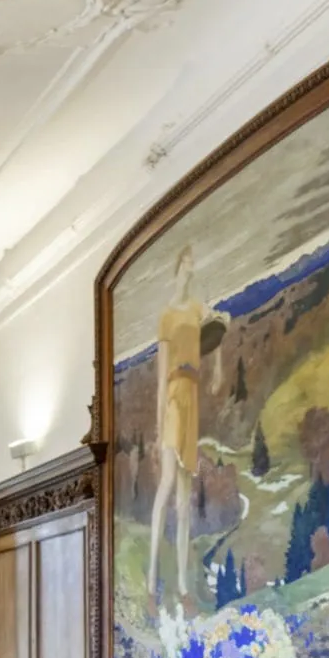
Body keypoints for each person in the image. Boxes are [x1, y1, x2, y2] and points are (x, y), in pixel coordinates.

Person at [148, 245, 217, 601]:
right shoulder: (167, 316)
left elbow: (216, 328)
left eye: (193, 259)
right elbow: (161, 376)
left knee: (186, 497)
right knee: (168, 484)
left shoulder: (196, 308)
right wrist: (160, 424)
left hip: (193, 396)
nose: (191, 265)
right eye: (187, 259)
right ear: (179, 265)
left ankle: (183, 587)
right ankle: (151, 577)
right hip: (174, 394)